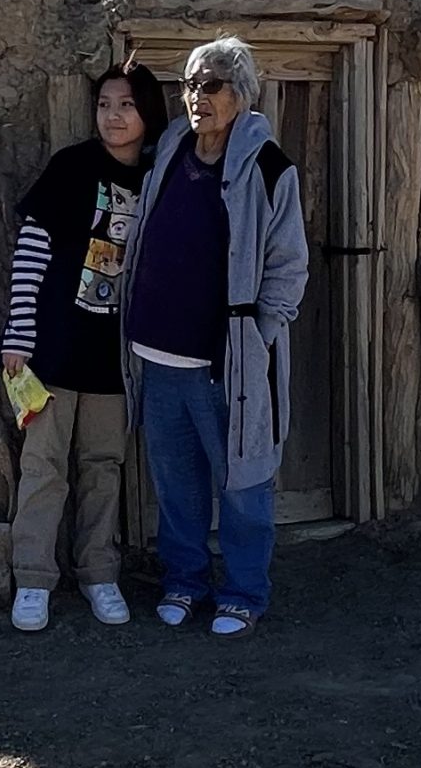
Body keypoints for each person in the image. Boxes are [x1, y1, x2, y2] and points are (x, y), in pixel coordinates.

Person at [121, 37, 308, 636]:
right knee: (176, 484)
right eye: (190, 85)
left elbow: (288, 265)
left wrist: (259, 336)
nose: (196, 96)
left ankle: (244, 593)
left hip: (224, 362)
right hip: (157, 353)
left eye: (211, 85)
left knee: (243, 483)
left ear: (242, 94)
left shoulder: (271, 168)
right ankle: (184, 581)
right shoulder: (171, 148)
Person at [0, 62, 168, 632]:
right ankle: (33, 578)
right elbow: (31, 251)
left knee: (103, 466)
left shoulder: (159, 179)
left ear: (148, 113)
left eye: (126, 105)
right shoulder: (71, 167)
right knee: (43, 465)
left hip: (115, 356)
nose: (113, 116)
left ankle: (99, 572)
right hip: (55, 345)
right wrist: (19, 334)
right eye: (104, 104)